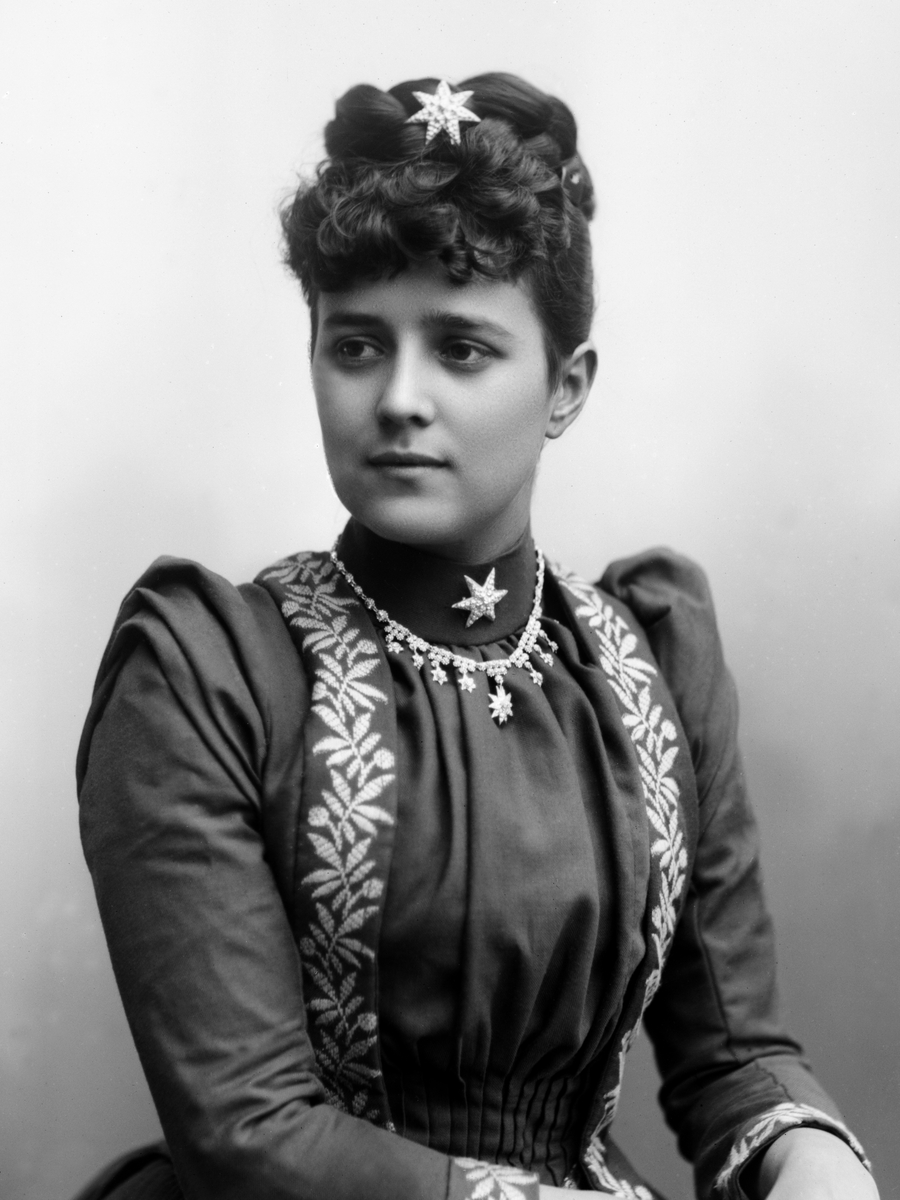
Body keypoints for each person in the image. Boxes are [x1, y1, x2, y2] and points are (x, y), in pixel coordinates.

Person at [73, 74, 879, 1200]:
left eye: (460, 349)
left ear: (566, 386)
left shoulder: (652, 660)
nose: (399, 398)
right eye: (358, 346)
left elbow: (736, 1059)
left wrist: (815, 1160)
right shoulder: (208, 674)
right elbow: (248, 1130)